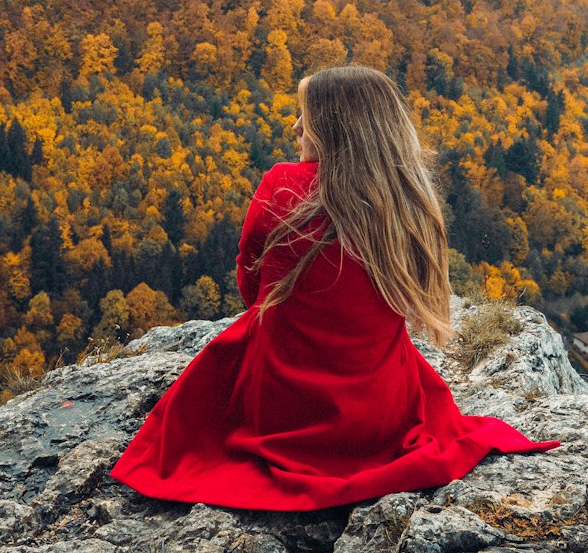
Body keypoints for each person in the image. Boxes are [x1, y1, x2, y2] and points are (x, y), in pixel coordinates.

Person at [109, 65, 558, 510]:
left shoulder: (281, 185)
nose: (296, 125)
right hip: (380, 414)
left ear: (332, 126)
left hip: (284, 409)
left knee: (223, 369)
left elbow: (250, 281)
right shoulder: (403, 198)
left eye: (305, 114)